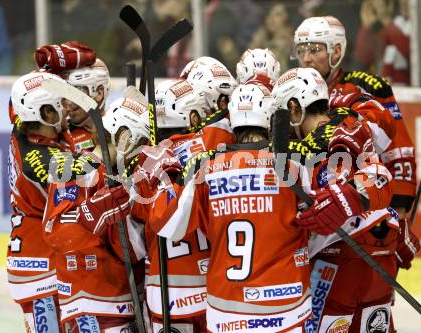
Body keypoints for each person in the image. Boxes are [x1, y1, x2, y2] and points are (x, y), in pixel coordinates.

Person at [144, 77, 380, 332]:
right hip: (285, 310)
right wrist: (353, 196)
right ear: (272, 118)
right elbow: (376, 177)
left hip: (226, 314)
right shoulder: (295, 165)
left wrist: (170, 178)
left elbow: (165, 224)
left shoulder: (205, 170)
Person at [272, 67, 397, 332]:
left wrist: (347, 196)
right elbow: (380, 174)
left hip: (337, 256)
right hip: (383, 247)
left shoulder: (297, 150)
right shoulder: (351, 122)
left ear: (294, 108)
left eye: (281, 115)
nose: (279, 126)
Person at [292, 15, 419, 268]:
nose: (306, 58)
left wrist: (400, 209)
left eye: (315, 49)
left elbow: (398, 150)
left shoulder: (367, 88)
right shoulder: (291, 89)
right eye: (301, 50)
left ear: (336, 51)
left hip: (364, 200)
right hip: (320, 210)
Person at [131, 77, 235, 332]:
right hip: (214, 288)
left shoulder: (146, 159)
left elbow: (139, 218)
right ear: (193, 116)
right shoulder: (217, 139)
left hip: (168, 295)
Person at [43, 96, 150, 332]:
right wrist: (96, 211)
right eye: (140, 141)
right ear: (124, 136)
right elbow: (57, 232)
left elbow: (133, 249)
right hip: (91, 305)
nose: (142, 151)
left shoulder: (128, 179)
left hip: (126, 303)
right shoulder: (71, 165)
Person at [8, 71, 69, 332]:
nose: (65, 109)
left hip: (33, 253)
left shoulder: (25, 131)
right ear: (43, 112)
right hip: (40, 261)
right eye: (58, 104)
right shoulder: (42, 161)